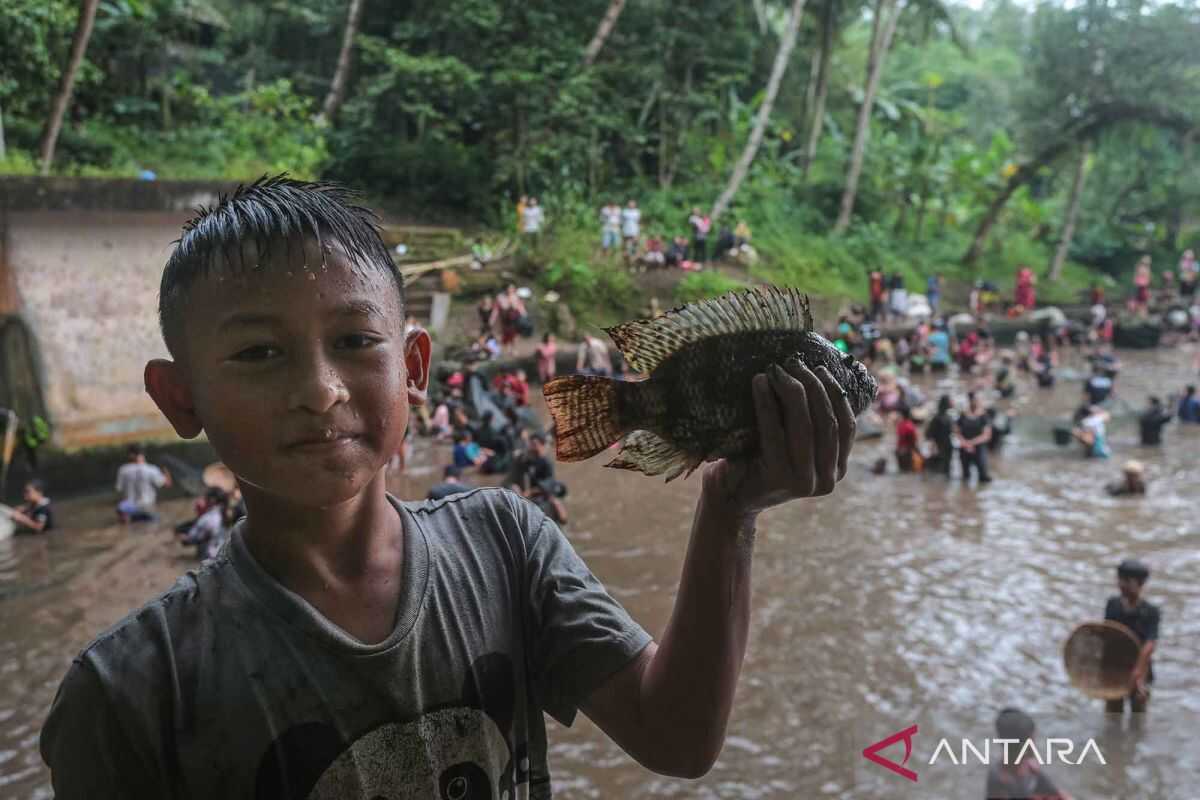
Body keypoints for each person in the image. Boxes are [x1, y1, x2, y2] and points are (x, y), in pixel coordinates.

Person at [40, 176, 856, 797]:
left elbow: (677, 738)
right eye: (259, 353)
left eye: (356, 339)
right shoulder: (127, 695)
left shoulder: (508, 543)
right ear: (181, 399)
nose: (321, 389)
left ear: (416, 369)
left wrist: (730, 508)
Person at [1103, 559, 1160, 713]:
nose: (1121, 584)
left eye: (1127, 581)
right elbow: (1106, 633)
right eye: (1121, 580)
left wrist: (1138, 672)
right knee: (1113, 710)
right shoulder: (1112, 604)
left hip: (1140, 667)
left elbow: (1150, 644)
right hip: (1115, 666)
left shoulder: (1150, 611)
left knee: (1138, 709)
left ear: (1140, 584)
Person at [984, 708, 1072, 800]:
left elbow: (1055, 793)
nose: (1035, 745)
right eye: (1032, 741)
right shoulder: (999, 780)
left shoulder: (1030, 767)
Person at [115, 443, 172, 523]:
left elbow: (119, 490)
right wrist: (166, 471)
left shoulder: (123, 470)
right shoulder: (152, 469)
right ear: (143, 454)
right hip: (147, 508)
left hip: (129, 509)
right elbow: (167, 484)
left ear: (129, 455)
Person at [955, 393, 992, 484]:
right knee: (965, 475)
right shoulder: (963, 415)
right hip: (964, 447)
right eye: (973, 400)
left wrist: (971, 443)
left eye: (976, 400)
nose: (974, 402)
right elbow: (956, 431)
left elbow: (987, 435)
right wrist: (964, 442)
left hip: (978, 448)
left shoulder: (984, 416)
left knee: (983, 475)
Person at [924, 395, 955, 478]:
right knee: (938, 471)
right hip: (939, 446)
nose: (952, 403)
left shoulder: (949, 416)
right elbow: (929, 434)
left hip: (948, 446)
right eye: (950, 401)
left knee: (947, 470)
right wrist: (933, 447)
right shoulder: (937, 418)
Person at [494, 283, 527, 356]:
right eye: (509, 288)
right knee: (506, 333)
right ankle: (508, 348)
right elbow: (497, 308)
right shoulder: (500, 297)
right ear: (506, 289)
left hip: (514, 318)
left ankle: (514, 349)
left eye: (512, 288)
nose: (511, 290)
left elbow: (520, 306)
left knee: (514, 334)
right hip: (505, 318)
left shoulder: (516, 296)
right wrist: (493, 318)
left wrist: (524, 315)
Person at [894, 408, 920, 473]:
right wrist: (917, 451)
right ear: (910, 415)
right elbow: (913, 440)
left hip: (899, 451)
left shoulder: (900, 425)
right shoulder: (910, 426)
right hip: (907, 452)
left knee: (902, 471)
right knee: (909, 471)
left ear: (902, 415)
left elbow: (900, 437)